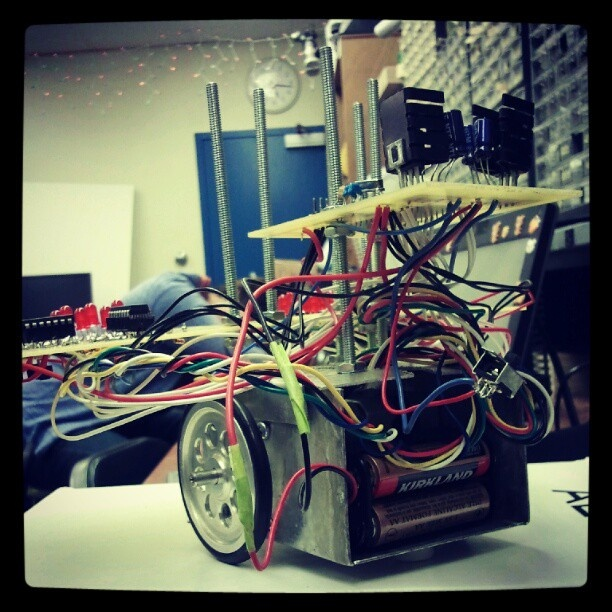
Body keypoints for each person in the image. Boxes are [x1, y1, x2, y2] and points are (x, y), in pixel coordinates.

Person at [22, 271, 233, 502]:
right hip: (47, 425)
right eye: (231, 318)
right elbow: (235, 354)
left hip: (108, 412)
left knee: (181, 426)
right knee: (139, 464)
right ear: (210, 294)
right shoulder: (172, 288)